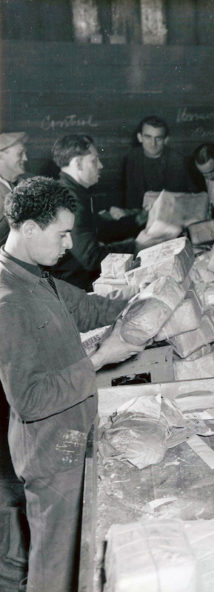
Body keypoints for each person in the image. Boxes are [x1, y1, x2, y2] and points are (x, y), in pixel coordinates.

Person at [0, 176, 143, 592]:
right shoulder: (8, 300)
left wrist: (136, 299)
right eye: (61, 234)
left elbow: (81, 308)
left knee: (73, 552)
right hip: (49, 450)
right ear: (29, 229)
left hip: (71, 433)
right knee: (55, 567)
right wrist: (99, 359)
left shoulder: (33, 273)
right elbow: (28, 399)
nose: (68, 245)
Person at [47, 134, 145, 291]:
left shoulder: (73, 191)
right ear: (78, 164)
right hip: (75, 287)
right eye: (94, 160)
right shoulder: (69, 199)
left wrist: (136, 221)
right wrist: (137, 245)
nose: (100, 165)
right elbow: (91, 257)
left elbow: (98, 229)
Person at [123, 115, 194, 209]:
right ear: (140, 137)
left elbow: (176, 198)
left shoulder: (177, 160)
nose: (153, 144)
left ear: (166, 140)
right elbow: (131, 194)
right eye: (148, 137)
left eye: (158, 138)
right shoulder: (132, 157)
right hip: (139, 214)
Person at [0, 132, 29, 245]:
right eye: (20, 154)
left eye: (25, 153)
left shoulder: (26, 183)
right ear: (1, 156)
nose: (25, 158)